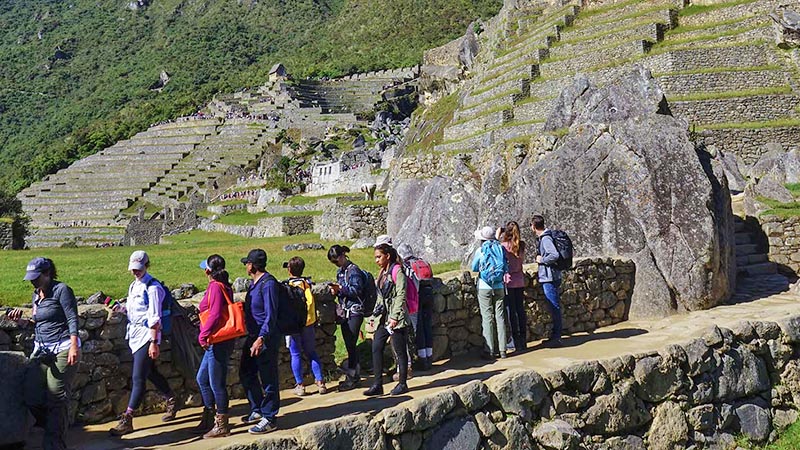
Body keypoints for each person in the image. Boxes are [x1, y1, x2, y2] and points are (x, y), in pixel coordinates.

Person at [7, 257, 80, 450]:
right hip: (42, 349)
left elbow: (72, 318)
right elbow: (38, 323)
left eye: (36, 277)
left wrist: (74, 346)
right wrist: (21, 322)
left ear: (47, 273)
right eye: (30, 278)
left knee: (56, 395)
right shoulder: (35, 295)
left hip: (63, 348)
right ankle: (54, 429)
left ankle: (54, 443)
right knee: (31, 394)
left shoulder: (61, 290)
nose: (32, 281)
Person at [110, 251, 181, 436]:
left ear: (147, 266)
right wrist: (120, 308)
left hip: (146, 336)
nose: (135, 272)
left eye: (138, 269)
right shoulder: (134, 286)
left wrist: (153, 342)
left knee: (138, 377)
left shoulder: (153, 288)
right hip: (134, 334)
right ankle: (172, 398)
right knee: (150, 372)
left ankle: (128, 418)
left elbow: (154, 317)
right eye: (133, 269)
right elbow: (134, 311)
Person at [193, 255, 236, 438]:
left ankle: (222, 424)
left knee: (216, 383)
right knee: (202, 379)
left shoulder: (215, 287)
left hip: (217, 340)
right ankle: (210, 416)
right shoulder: (222, 285)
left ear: (208, 271)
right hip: (216, 341)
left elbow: (215, 314)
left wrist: (203, 334)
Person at [239, 249, 280, 434]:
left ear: (253, 265)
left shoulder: (268, 284)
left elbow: (271, 315)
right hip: (253, 336)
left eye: (247, 263)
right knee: (246, 372)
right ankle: (257, 409)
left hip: (266, 338)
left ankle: (270, 417)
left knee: (269, 377)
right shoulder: (255, 283)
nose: (246, 265)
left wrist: (262, 338)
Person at [364, 243, 410, 396]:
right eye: (375, 257)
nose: (376, 260)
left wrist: (395, 317)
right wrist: (373, 317)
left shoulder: (397, 271)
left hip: (396, 318)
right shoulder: (382, 273)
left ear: (387, 256)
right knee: (376, 347)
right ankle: (378, 384)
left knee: (399, 350)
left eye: (379, 257)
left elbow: (401, 295)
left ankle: (402, 383)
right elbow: (380, 297)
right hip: (383, 319)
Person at [284, 256, 328, 396]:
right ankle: (320, 382)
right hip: (308, 323)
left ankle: (300, 385)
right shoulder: (306, 284)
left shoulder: (287, 286)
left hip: (293, 325)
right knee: (312, 352)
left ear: (289, 270)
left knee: (295, 354)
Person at [328, 244, 366, 391]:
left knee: (351, 344)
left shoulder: (354, 270)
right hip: (346, 313)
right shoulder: (341, 271)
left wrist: (340, 289)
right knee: (350, 345)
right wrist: (336, 291)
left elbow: (357, 290)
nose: (336, 263)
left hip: (355, 312)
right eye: (333, 262)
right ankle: (353, 376)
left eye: (337, 260)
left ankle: (353, 378)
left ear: (343, 255)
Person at [470, 226, 509, 360]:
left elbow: (474, 267)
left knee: (487, 317)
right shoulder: (501, 249)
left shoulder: (481, 250)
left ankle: (490, 350)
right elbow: (505, 266)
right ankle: (503, 349)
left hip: (484, 286)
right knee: (500, 316)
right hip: (499, 286)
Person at [396, 243, 435, 371]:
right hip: (429, 294)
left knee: (418, 327)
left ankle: (422, 360)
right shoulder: (423, 261)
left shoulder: (406, 266)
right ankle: (429, 357)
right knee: (427, 325)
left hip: (417, 298)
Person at [532, 215, 563, 347]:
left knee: (554, 306)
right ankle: (556, 336)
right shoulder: (546, 237)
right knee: (554, 305)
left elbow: (554, 255)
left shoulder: (545, 239)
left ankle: (557, 337)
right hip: (552, 276)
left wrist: (541, 260)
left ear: (533, 226)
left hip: (549, 277)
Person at [500, 221, 528, 352]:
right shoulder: (521, 245)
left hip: (509, 281)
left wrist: (498, 235)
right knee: (520, 310)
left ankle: (515, 339)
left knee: (511, 311)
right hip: (520, 280)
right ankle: (523, 339)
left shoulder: (504, 246)